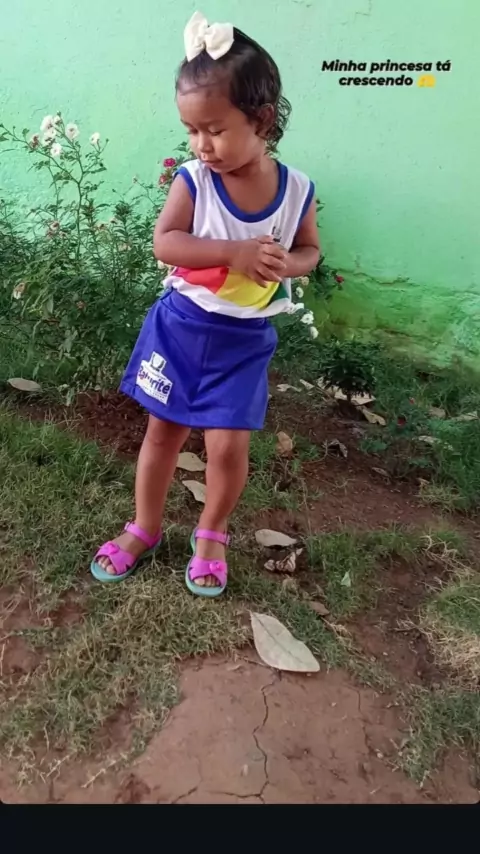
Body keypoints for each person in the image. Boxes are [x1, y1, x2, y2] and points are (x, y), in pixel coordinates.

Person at [90, 11, 320, 596]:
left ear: (261, 119)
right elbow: (165, 242)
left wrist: (286, 264)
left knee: (228, 445)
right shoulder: (195, 181)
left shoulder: (296, 190)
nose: (201, 144)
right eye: (191, 130)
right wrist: (232, 253)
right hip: (181, 331)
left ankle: (212, 533)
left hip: (244, 343)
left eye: (214, 129)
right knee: (162, 433)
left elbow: (310, 250)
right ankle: (144, 527)